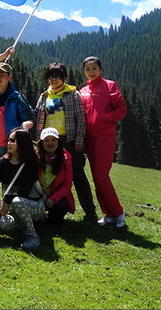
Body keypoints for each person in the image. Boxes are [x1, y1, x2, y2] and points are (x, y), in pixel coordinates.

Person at [31, 62, 97, 221]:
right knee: (45, 174)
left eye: (57, 76)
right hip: (48, 140)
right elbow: (38, 117)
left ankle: (90, 211)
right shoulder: (44, 96)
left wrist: (79, 140)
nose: (54, 79)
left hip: (69, 140)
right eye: (50, 76)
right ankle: (42, 207)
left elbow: (81, 118)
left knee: (78, 175)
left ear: (64, 77)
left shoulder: (73, 94)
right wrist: (38, 139)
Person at [0, 128, 45, 251]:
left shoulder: (31, 164)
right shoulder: (2, 162)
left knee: (17, 201)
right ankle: (22, 229)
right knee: (3, 223)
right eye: (8, 140)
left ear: (22, 143)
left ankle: (32, 236)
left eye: (13, 140)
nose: (9, 143)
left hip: (34, 205)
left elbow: (24, 191)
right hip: (12, 207)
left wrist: (6, 200)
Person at [79, 56, 127, 228]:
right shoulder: (82, 91)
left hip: (105, 135)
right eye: (88, 69)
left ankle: (118, 213)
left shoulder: (109, 85)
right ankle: (109, 214)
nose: (91, 72)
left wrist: (106, 118)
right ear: (84, 71)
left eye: (94, 68)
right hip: (89, 138)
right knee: (97, 177)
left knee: (101, 175)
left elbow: (122, 109)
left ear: (101, 70)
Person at [36, 127, 75, 225]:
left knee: (61, 207)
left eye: (53, 140)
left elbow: (67, 184)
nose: (50, 143)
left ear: (58, 142)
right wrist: (41, 195)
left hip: (55, 195)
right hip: (38, 194)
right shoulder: (34, 157)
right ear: (41, 143)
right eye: (46, 140)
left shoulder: (66, 159)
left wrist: (53, 198)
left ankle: (51, 218)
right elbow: (30, 180)